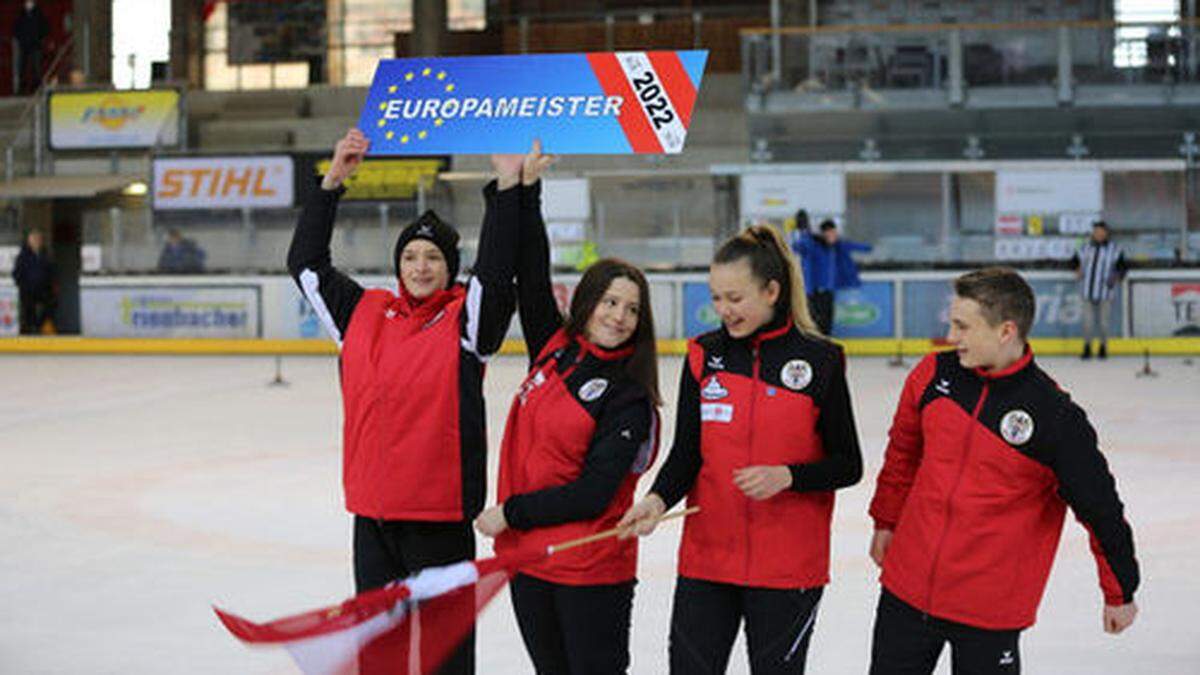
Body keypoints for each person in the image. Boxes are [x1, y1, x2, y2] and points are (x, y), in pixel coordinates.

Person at [286, 128, 520, 675]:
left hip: (439, 521)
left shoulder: (466, 322)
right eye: (411, 256)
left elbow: (496, 276)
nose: (420, 266)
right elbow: (305, 264)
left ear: (450, 266)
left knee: (446, 656)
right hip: (373, 519)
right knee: (381, 655)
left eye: (433, 257)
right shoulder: (363, 312)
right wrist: (333, 182)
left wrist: (507, 188)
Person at [867, 267, 1139, 675]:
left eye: (962, 326)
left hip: (988, 608)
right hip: (907, 586)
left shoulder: (1054, 415)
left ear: (1005, 331)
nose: (951, 335)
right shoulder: (932, 374)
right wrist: (885, 521)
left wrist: (1119, 591)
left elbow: (1100, 507)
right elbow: (902, 455)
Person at [619, 224, 864, 674]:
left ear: (771, 291)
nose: (723, 310)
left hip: (788, 568)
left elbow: (848, 465)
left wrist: (789, 476)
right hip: (708, 560)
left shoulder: (820, 360)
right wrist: (655, 499)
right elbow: (687, 453)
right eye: (716, 298)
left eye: (735, 298)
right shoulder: (703, 355)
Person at [473, 141, 661, 675]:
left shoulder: (628, 394)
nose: (619, 316)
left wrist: (511, 513)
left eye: (631, 309)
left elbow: (593, 493)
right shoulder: (556, 351)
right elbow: (531, 273)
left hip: (589, 570)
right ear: (587, 303)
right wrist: (523, 189)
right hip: (530, 561)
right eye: (609, 302)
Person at [790, 215, 872, 336]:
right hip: (813, 292)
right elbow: (797, 246)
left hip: (828, 291)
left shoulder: (836, 246)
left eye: (835, 233)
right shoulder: (813, 245)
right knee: (814, 324)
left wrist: (871, 247)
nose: (833, 236)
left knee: (827, 323)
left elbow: (863, 248)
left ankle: (823, 347)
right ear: (823, 233)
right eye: (830, 233)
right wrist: (803, 232)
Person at [1070, 221, 1126, 359]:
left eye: (1101, 232)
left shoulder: (1114, 249)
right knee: (1087, 322)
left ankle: (1102, 347)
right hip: (1087, 290)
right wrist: (1077, 269)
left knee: (1104, 323)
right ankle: (1087, 347)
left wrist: (1116, 276)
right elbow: (1073, 261)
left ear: (1106, 233)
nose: (1099, 234)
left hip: (1105, 291)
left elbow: (1122, 266)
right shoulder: (1085, 248)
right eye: (1096, 232)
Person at [12, 227, 55, 334]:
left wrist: (51, 285)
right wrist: (22, 285)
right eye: (33, 239)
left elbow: (51, 271)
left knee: (47, 309)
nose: (36, 241)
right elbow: (17, 273)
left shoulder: (45, 254)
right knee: (28, 312)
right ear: (29, 241)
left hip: (43, 290)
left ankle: (39, 327)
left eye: (38, 239)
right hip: (28, 290)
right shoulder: (23, 255)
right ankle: (29, 330)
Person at [12, 0, 49, 94]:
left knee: (36, 68)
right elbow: (16, 27)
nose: (28, 4)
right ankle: (21, 89)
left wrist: (39, 38)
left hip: (35, 45)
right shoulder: (21, 14)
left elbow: (45, 27)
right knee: (22, 68)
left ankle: (36, 89)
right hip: (23, 45)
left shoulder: (39, 14)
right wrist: (19, 38)